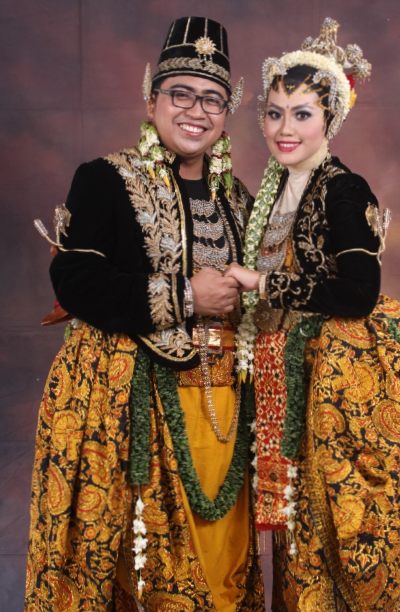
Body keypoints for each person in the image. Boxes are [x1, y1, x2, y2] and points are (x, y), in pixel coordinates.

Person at [25, 16, 264, 611]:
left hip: (224, 419)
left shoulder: (240, 199)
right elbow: (76, 282)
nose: (196, 111)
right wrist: (187, 296)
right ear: (150, 99)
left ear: (227, 112)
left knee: (221, 569)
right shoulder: (105, 180)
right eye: (181, 93)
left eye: (212, 99)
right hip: (133, 414)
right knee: (141, 575)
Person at [226, 18, 400, 611]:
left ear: (330, 119)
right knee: (291, 540)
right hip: (282, 385)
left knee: (323, 533)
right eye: (274, 113)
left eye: (302, 114)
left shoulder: (343, 189)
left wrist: (265, 283)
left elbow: (358, 292)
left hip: (326, 396)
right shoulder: (276, 189)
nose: (285, 129)